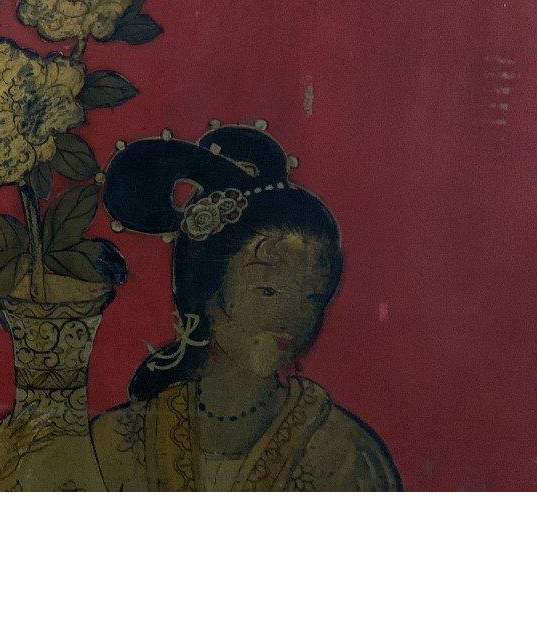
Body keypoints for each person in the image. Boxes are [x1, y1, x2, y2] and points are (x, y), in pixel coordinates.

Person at [90, 123, 400, 490]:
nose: (291, 318)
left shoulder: (348, 456)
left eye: (311, 298)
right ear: (206, 289)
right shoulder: (115, 443)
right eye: (267, 291)